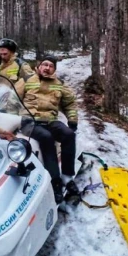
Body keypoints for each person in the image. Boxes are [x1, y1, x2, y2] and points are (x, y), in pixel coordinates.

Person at [15, 55, 78, 204]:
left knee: (69, 135)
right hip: (29, 122)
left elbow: (70, 104)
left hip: (50, 120)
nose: (47, 68)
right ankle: (55, 181)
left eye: (51, 66)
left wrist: (73, 120)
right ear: (39, 66)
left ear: (54, 69)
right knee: (46, 137)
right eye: (45, 64)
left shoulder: (60, 84)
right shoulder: (26, 80)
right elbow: (12, 99)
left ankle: (67, 177)